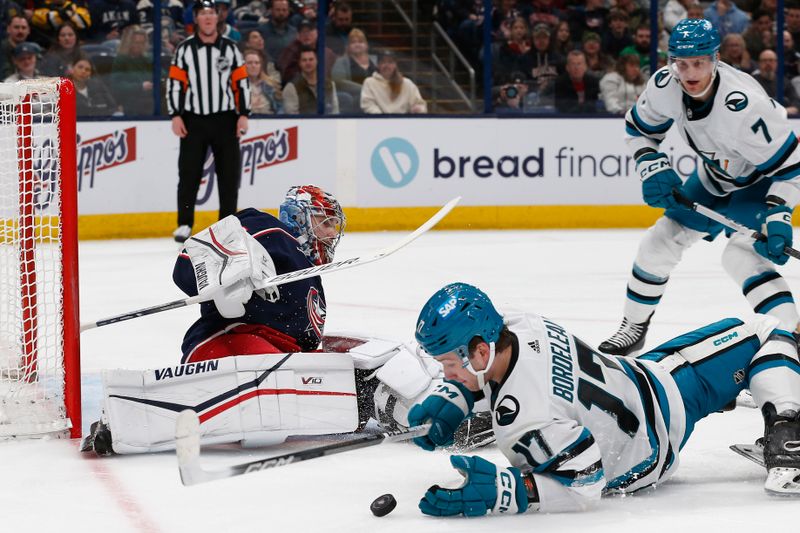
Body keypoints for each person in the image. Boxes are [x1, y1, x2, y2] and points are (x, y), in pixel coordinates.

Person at [79, 187, 493, 456]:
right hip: (229, 341)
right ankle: (128, 418)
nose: (331, 231)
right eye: (324, 220)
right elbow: (190, 262)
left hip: (284, 356)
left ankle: (438, 417)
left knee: (379, 358)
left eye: (333, 223)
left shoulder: (309, 275)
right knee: (273, 383)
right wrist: (229, 278)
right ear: (299, 216)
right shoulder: (268, 229)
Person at [408, 282, 800, 517]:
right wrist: (456, 397)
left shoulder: (524, 417)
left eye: (448, 364)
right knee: (767, 333)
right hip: (658, 409)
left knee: (760, 335)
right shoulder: (523, 325)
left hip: (649, 391)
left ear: (480, 351)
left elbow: (580, 481)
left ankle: (785, 426)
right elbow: (583, 481)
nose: (446, 374)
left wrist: (501, 488)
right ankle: (787, 423)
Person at [599, 19, 800, 356]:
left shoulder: (746, 108)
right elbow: (638, 130)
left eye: (699, 63)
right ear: (671, 62)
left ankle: (789, 343)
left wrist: (779, 213)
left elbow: (792, 170)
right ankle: (633, 328)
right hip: (713, 177)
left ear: (716, 59)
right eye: (682, 63)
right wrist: (651, 165)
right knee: (659, 241)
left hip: (759, 185)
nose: (690, 73)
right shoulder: (666, 85)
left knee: (740, 256)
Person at [167, 0, 249, 243]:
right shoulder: (184, 50)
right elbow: (175, 84)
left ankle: (227, 222)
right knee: (189, 172)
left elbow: (241, 83)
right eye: (203, 13)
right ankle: (184, 223)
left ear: (218, 17)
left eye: (211, 12)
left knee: (229, 174)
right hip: (193, 120)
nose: (208, 17)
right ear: (196, 18)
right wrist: (176, 114)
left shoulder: (232, 49)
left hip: (226, 119)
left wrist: (243, 113)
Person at [360, 50, 427, 114]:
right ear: (378, 65)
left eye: (390, 62)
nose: (387, 65)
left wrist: (418, 109)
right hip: (379, 122)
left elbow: (420, 104)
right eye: (383, 62)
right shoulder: (369, 82)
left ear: (395, 65)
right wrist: (383, 118)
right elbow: (368, 105)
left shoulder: (407, 83)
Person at [110, 25, 154, 116]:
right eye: (136, 42)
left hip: (149, 100)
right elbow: (116, 85)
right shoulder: (121, 60)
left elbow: (161, 74)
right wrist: (140, 86)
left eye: (142, 43)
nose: (139, 46)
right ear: (129, 43)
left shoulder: (147, 59)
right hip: (129, 102)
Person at [283, 46, 339, 114]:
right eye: (304, 60)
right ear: (299, 63)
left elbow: (335, 111)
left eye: (311, 59)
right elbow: (291, 118)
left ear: (317, 61)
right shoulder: (291, 87)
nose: (308, 63)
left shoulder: (329, 84)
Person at [331, 28, 376, 111]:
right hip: (354, 98)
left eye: (360, 42)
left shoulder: (375, 61)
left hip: (375, 97)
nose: (357, 44)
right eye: (353, 42)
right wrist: (365, 90)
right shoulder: (341, 62)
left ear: (366, 45)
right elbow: (340, 82)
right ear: (348, 46)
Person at [751, 49, 800, 114]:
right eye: (764, 60)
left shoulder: (784, 81)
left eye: (771, 60)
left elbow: (795, 102)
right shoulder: (752, 81)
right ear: (759, 63)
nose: (768, 63)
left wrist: (783, 111)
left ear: (776, 63)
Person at [245, 47, 282, 114]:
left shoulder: (270, 86)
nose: (253, 66)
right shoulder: (236, 87)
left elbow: (280, 109)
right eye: (249, 63)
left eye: (257, 63)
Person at [260, 0, 296, 65]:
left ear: (288, 11)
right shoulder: (261, 32)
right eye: (278, 10)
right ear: (271, 10)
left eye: (284, 10)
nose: (281, 13)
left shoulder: (294, 32)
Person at [1, 15, 30, 79]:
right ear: (8, 29)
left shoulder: (32, 51)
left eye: (24, 28)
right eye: (16, 27)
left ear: (28, 31)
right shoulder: (2, 49)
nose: (20, 31)